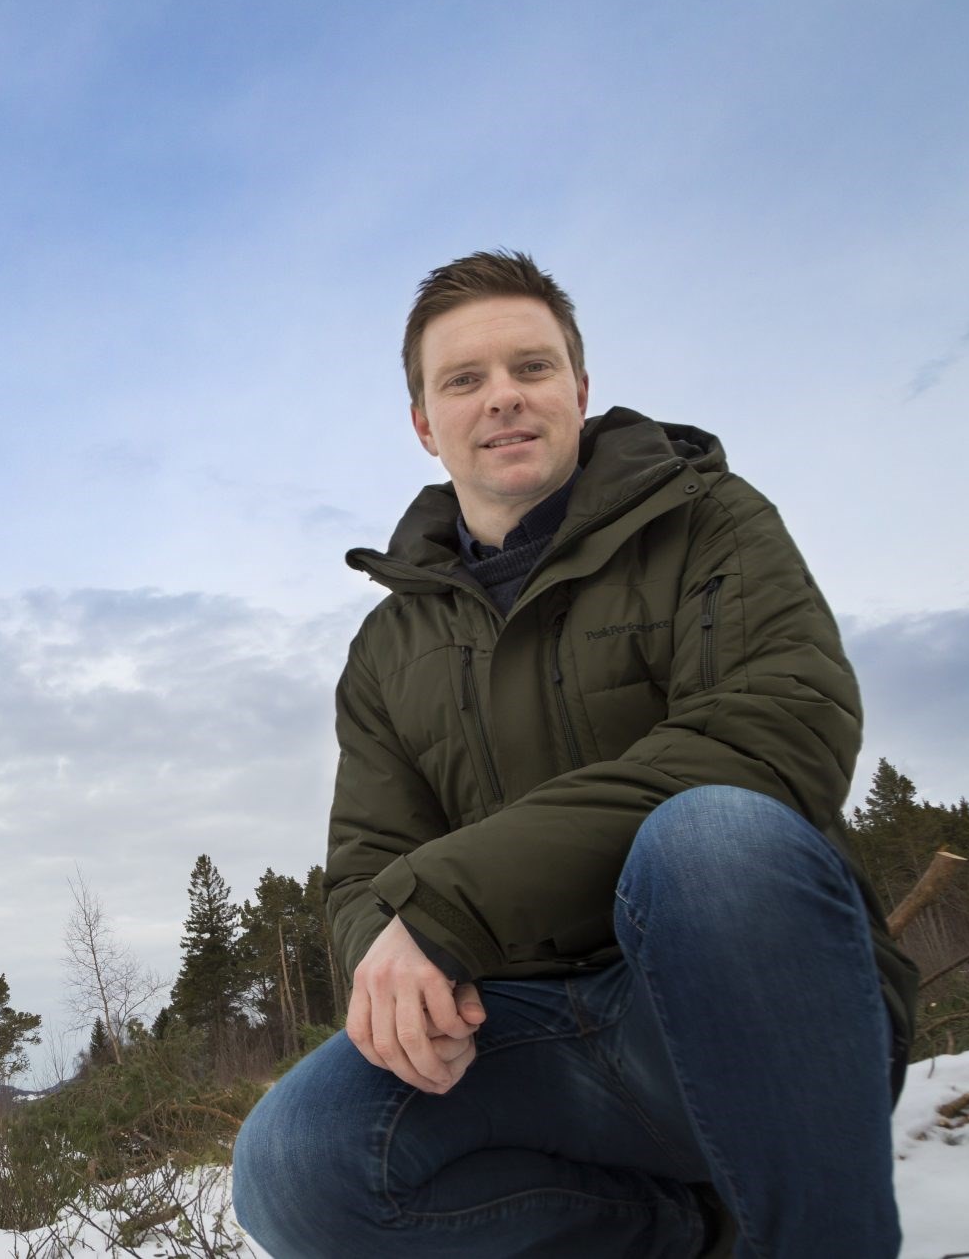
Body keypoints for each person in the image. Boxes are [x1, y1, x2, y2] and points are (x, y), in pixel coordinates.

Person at [231, 251, 919, 1258]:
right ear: (424, 423)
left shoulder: (706, 521)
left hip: (757, 1020)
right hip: (530, 1041)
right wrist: (396, 962)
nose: (501, 397)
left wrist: (448, 901)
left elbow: (777, 731)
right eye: (463, 380)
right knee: (293, 1162)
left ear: (579, 390)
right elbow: (366, 869)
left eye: (530, 368)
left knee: (711, 840)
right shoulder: (387, 649)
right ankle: (683, 1234)